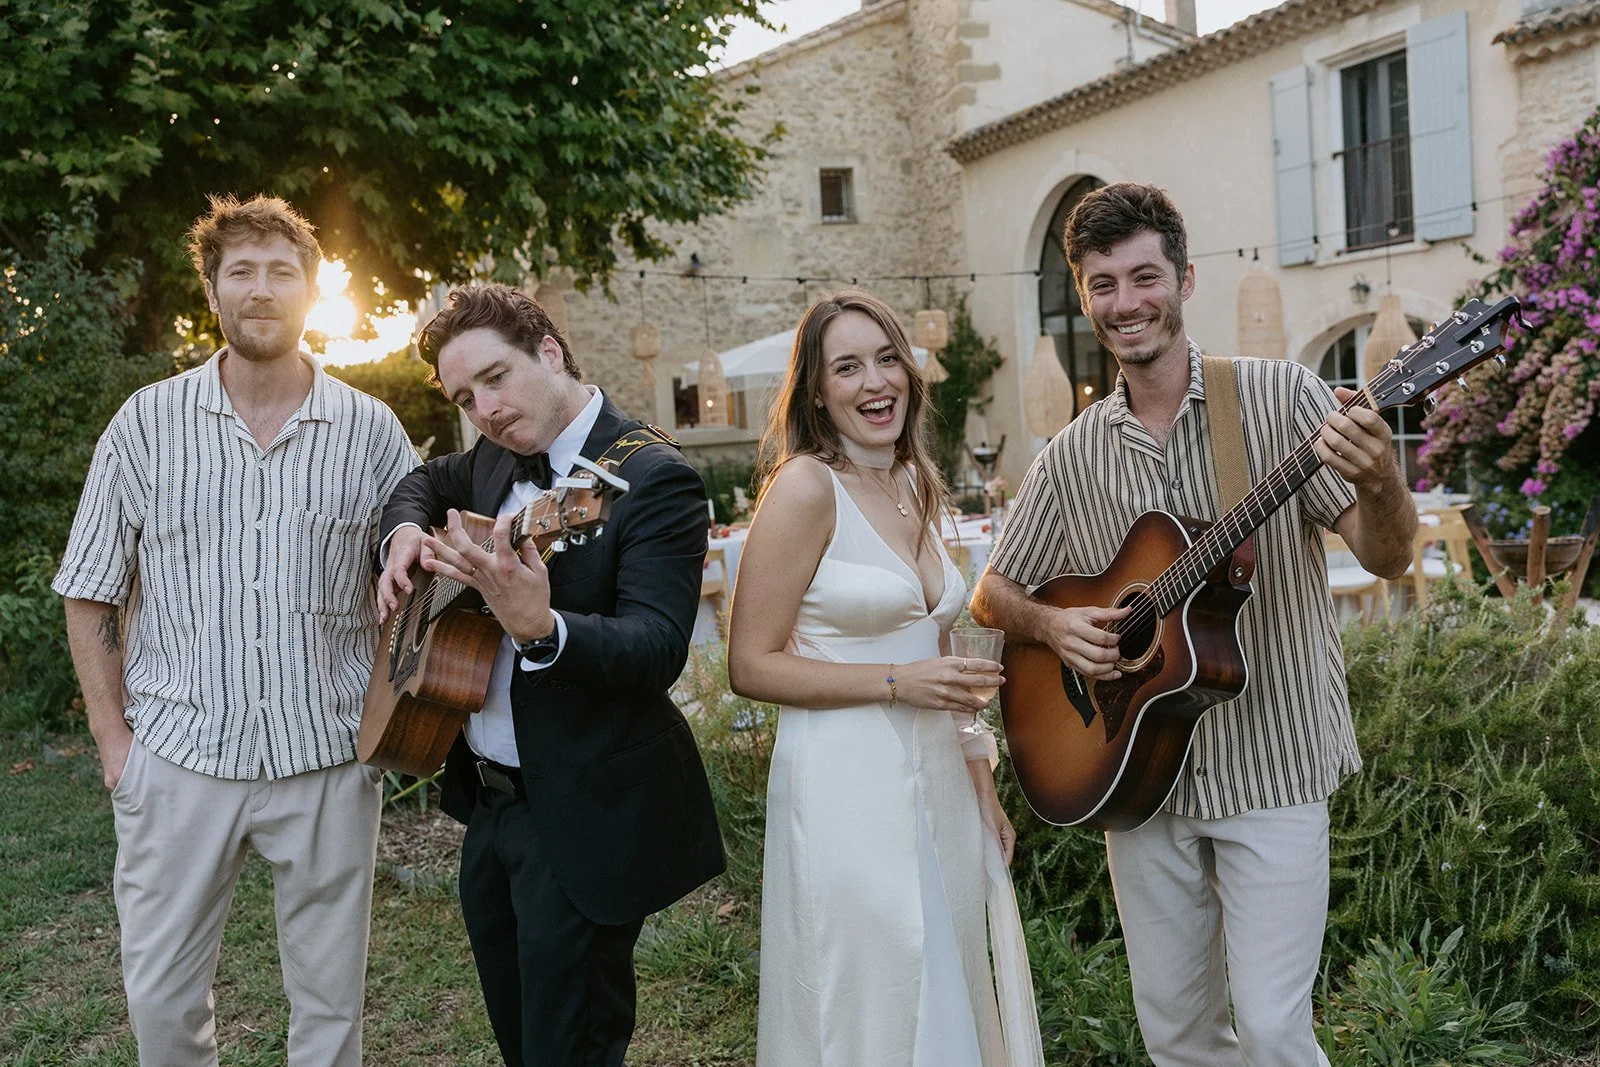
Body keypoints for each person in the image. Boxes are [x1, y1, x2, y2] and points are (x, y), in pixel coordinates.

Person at [971, 182, 1418, 1065]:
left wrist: (1380, 480)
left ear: (1185, 280)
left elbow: (1387, 556)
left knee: (1278, 1030)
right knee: (1177, 1034)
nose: (1126, 301)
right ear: (1085, 296)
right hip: (1135, 775)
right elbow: (991, 594)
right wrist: (1056, 630)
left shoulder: (1280, 398)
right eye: (1103, 284)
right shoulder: (1069, 454)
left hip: (1273, 761)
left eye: (1145, 276)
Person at [52, 194, 419, 1066]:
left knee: (331, 1015)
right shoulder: (146, 425)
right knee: (162, 1005)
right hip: (177, 759)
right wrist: (115, 744)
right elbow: (90, 591)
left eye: (282, 271)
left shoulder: (371, 432)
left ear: (312, 292)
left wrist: (386, 724)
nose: (261, 288)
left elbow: (420, 577)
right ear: (211, 291)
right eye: (241, 271)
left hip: (327, 759)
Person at [376, 282, 724, 1067]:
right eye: (466, 396)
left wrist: (545, 629)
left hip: (582, 814)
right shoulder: (497, 458)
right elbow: (428, 482)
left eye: (496, 378)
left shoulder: (653, 476)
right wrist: (401, 532)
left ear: (550, 351)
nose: (485, 409)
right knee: (520, 1038)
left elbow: (657, 645)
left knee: (572, 1047)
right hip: (490, 809)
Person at [727, 288, 1044, 1066]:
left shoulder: (913, 481)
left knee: (948, 974)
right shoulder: (805, 486)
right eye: (848, 367)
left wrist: (982, 786)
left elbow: (943, 647)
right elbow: (749, 663)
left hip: (938, 769)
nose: (876, 382)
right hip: (847, 780)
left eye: (887, 359)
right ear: (817, 391)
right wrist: (898, 680)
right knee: (874, 987)